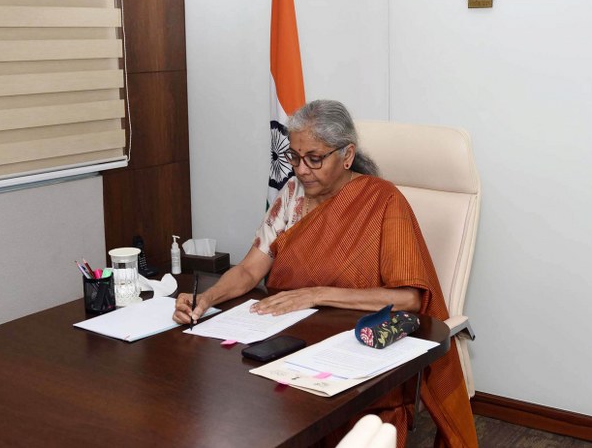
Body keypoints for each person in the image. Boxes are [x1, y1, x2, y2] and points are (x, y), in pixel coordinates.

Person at [173, 100, 478, 447]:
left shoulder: (383, 201)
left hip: (353, 345)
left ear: (346, 156)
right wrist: (205, 299)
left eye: (314, 158)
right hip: (291, 336)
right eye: (294, 156)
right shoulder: (291, 196)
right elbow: (247, 270)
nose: (302, 170)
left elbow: (409, 298)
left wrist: (317, 293)